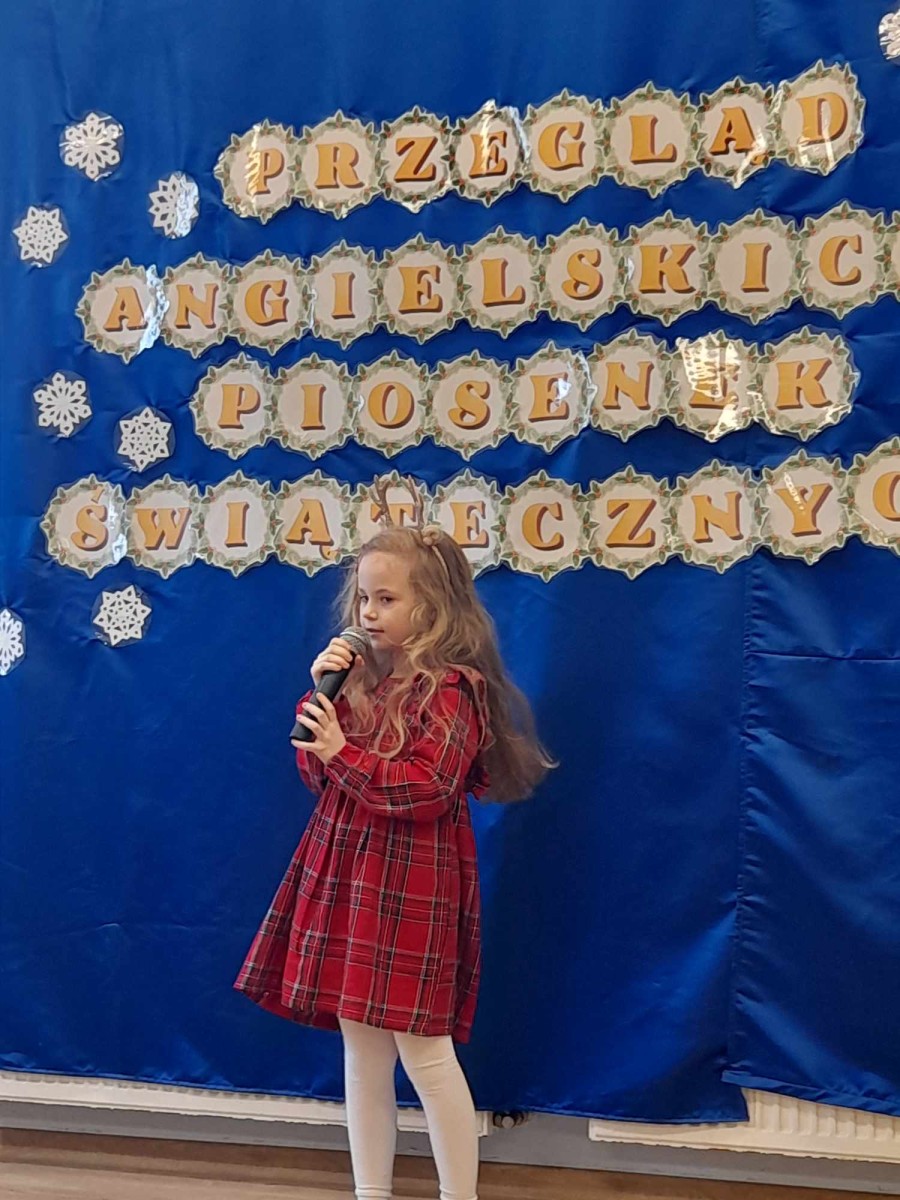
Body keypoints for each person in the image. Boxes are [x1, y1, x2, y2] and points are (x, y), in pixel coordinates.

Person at [234, 490, 554, 1200]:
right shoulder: (363, 684)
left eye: (386, 599)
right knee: (362, 1047)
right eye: (364, 599)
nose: (369, 613)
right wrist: (324, 702)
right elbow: (317, 773)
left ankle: (458, 1194)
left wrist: (343, 751)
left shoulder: (453, 691)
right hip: (350, 875)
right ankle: (369, 1191)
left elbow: (426, 789)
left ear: (432, 609)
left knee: (425, 1052)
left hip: (411, 886)